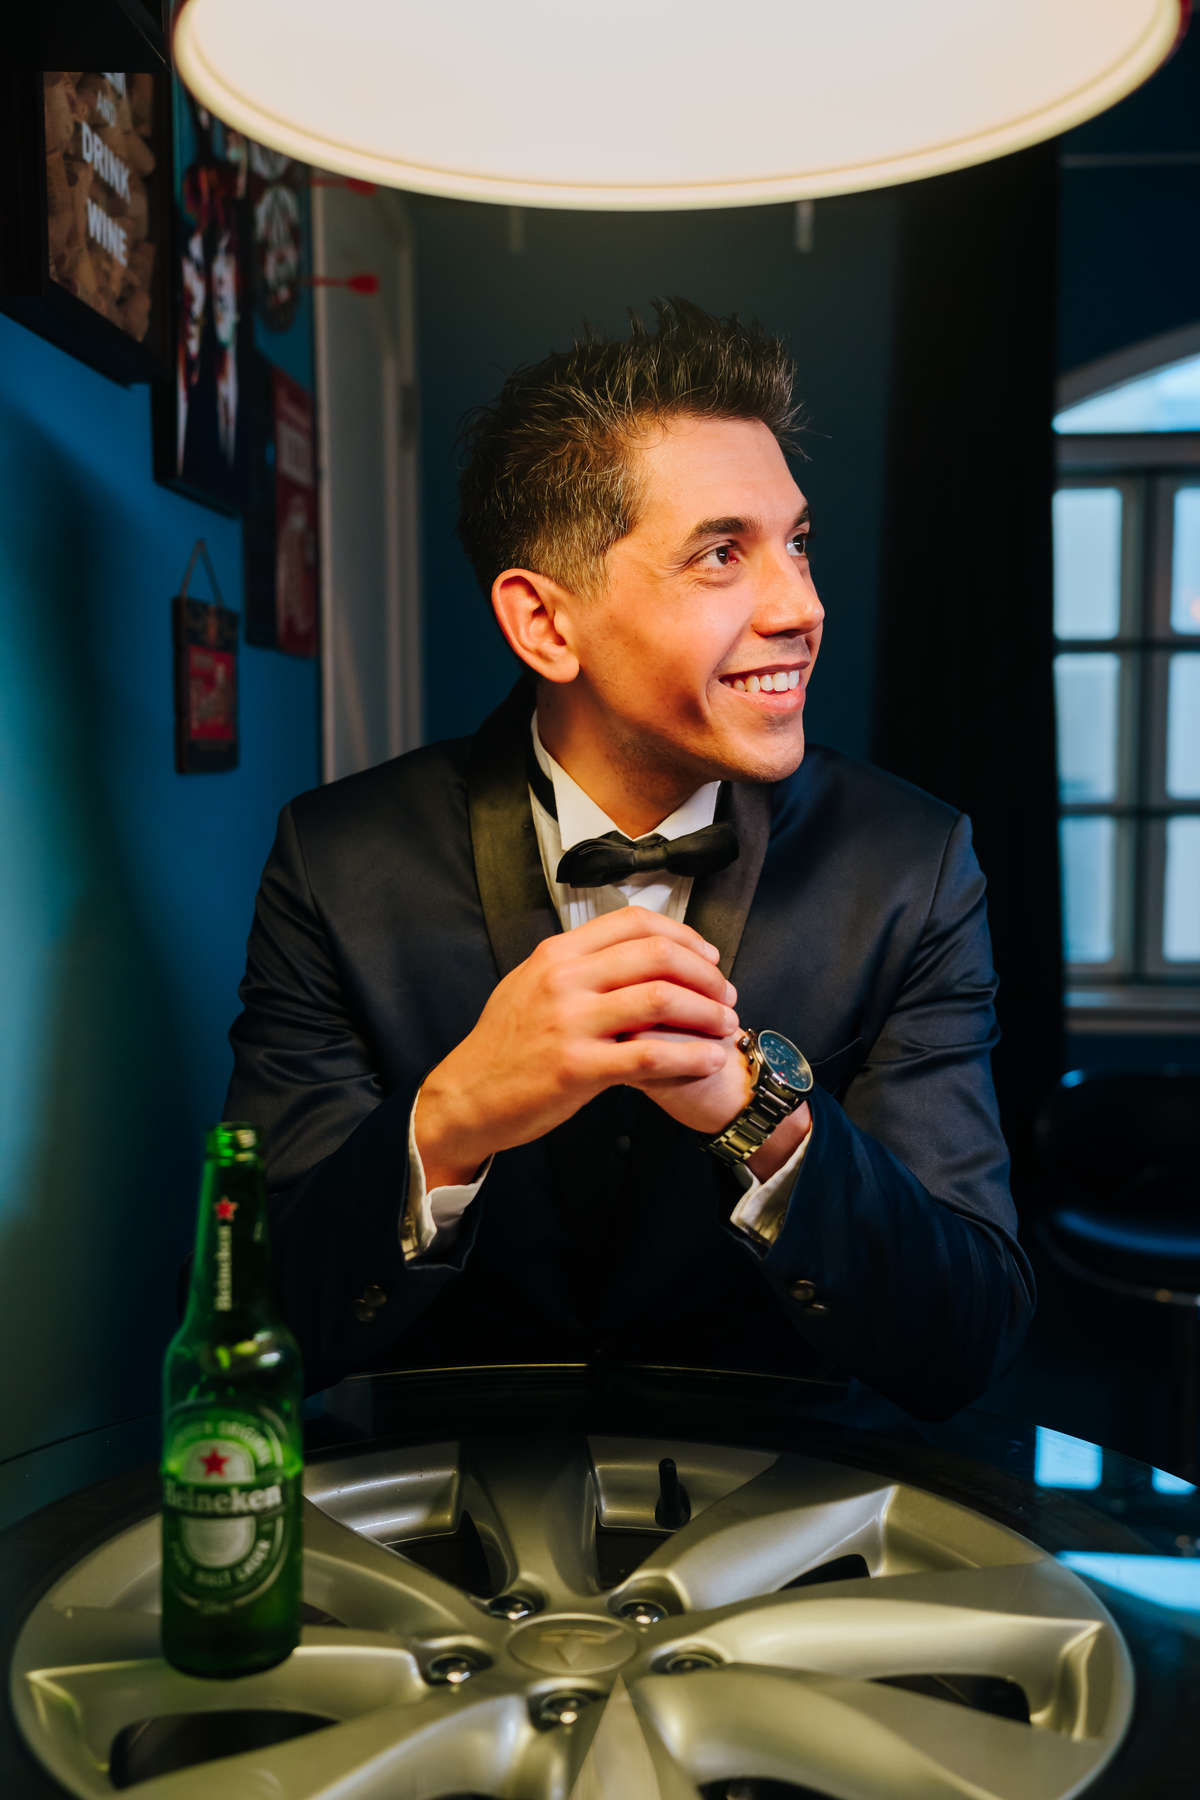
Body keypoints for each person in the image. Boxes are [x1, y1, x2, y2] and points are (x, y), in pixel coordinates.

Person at [225, 299, 1034, 1415]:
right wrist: (451, 1117)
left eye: (798, 543)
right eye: (721, 554)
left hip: (783, 1495)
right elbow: (252, 1330)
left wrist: (761, 1120)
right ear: (545, 625)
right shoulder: (336, 860)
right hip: (442, 1495)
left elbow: (968, 1338)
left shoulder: (913, 866)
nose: (804, 605)